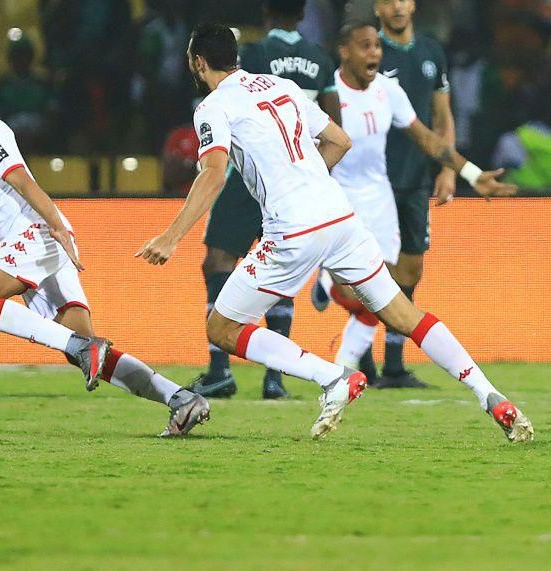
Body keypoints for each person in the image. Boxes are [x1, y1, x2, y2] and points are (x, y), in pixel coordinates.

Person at [137, 23, 532, 443]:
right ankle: (489, 394)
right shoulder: (280, 85)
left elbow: (213, 175)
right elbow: (339, 140)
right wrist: (305, 179)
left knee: (221, 328)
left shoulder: (211, 108)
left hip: (292, 230)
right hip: (340, 217)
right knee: (403, 315)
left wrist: (171, 236)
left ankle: (332, 377)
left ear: (198, 63)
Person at [0, 61, 209, 438]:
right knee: (84, 353)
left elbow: (20, 178)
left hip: (37, 232)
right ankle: (181, 400)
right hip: (30, 243)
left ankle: (85, 347)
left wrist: (54, 224)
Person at [325, 22, 520, 369]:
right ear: (344, 51)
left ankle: (344, 373)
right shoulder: (327, 92)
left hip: (379, 200)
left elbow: (428, 139)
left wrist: (471, 174)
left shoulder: (389, 91)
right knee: (351, 289)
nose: (374, 53)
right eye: (365, 46)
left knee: (383, 292)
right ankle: (327, 285)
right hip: (338, 200)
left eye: (376, 47)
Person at [187, 0, 340, 401]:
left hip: (250, 178)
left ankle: (220, 370)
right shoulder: (320, 59)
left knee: (218, 260)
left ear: (268, 11)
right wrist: (309, 169)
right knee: (282, 276)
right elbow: (334, 123)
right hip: (299, 179)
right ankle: (275, 378)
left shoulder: (252, 56)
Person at [326, 0, 459, 388]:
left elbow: (441, 118)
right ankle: (362, 358)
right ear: (379, 10)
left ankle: (394, 361)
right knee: (366, 273)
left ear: (414, 4)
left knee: (410, 269)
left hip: (415, 178)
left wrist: (450, 168)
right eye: (389, 1)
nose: (398, 7)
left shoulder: (431, 53)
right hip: (373, 182)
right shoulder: (370, 58)